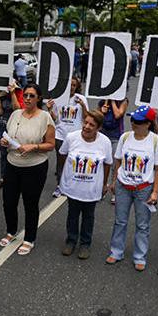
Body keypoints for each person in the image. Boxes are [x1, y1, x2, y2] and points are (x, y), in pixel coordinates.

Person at [105, 105, 158, 271]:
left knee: (142, 224)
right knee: (120, 221)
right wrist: (114, 181)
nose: (134, 124)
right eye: (132, 120)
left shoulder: (156, 141)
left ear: (148, 123)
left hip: (144, 188)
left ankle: (140, 256)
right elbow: (118, 160)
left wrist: (155, 191)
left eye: (138, 122)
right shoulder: (125, 137)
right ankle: (116, 251)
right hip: (123, 186)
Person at [0, 84, 56, 255]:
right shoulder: (16, 114)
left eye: (32, 95)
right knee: (9, 201)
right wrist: (5, 142)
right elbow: (8, 135)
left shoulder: (45, 117)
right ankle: (11, 231)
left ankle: (29, 238)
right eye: (26, 95)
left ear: (39, 98)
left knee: (30, 204)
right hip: (12, 164)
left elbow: (51, 145)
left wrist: (35, 146)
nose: (28, 98)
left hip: (35, 167)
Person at [59, 110, 112, 258]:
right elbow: (62, 155)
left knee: (88, 216)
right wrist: (66, 176)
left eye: (92, 125)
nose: (87, 127)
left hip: (91, 188)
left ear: (99, 128)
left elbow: (107, 164)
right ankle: (71, 241)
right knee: (72, 214)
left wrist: (104, 184)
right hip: (73, 186)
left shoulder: (105, 142)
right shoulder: (71, 138)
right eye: (86, 123)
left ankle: (85, 244)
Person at [52, 77, 88, 198]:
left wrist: (83, 105)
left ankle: (73, 185)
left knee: (73, 161)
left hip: (75, 136)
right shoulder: (58, 98)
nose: (71, 87)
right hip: (60, 135)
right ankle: (60, 186)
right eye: (69, 85)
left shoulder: (81, 99)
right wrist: (49, 108)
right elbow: (55, 118)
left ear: (76, 87)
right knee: (61, 161)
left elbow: (86, 117)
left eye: (74, 85)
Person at [0, 83, 21, 190]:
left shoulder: (20, 93)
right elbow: (0, 113)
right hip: (2, 127)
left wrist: (13, 93)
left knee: (15, 152)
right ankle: (3, 178)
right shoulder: (2, 94)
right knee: (3, 153)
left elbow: (17, 110)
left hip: (14, 128)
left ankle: (16, 178)